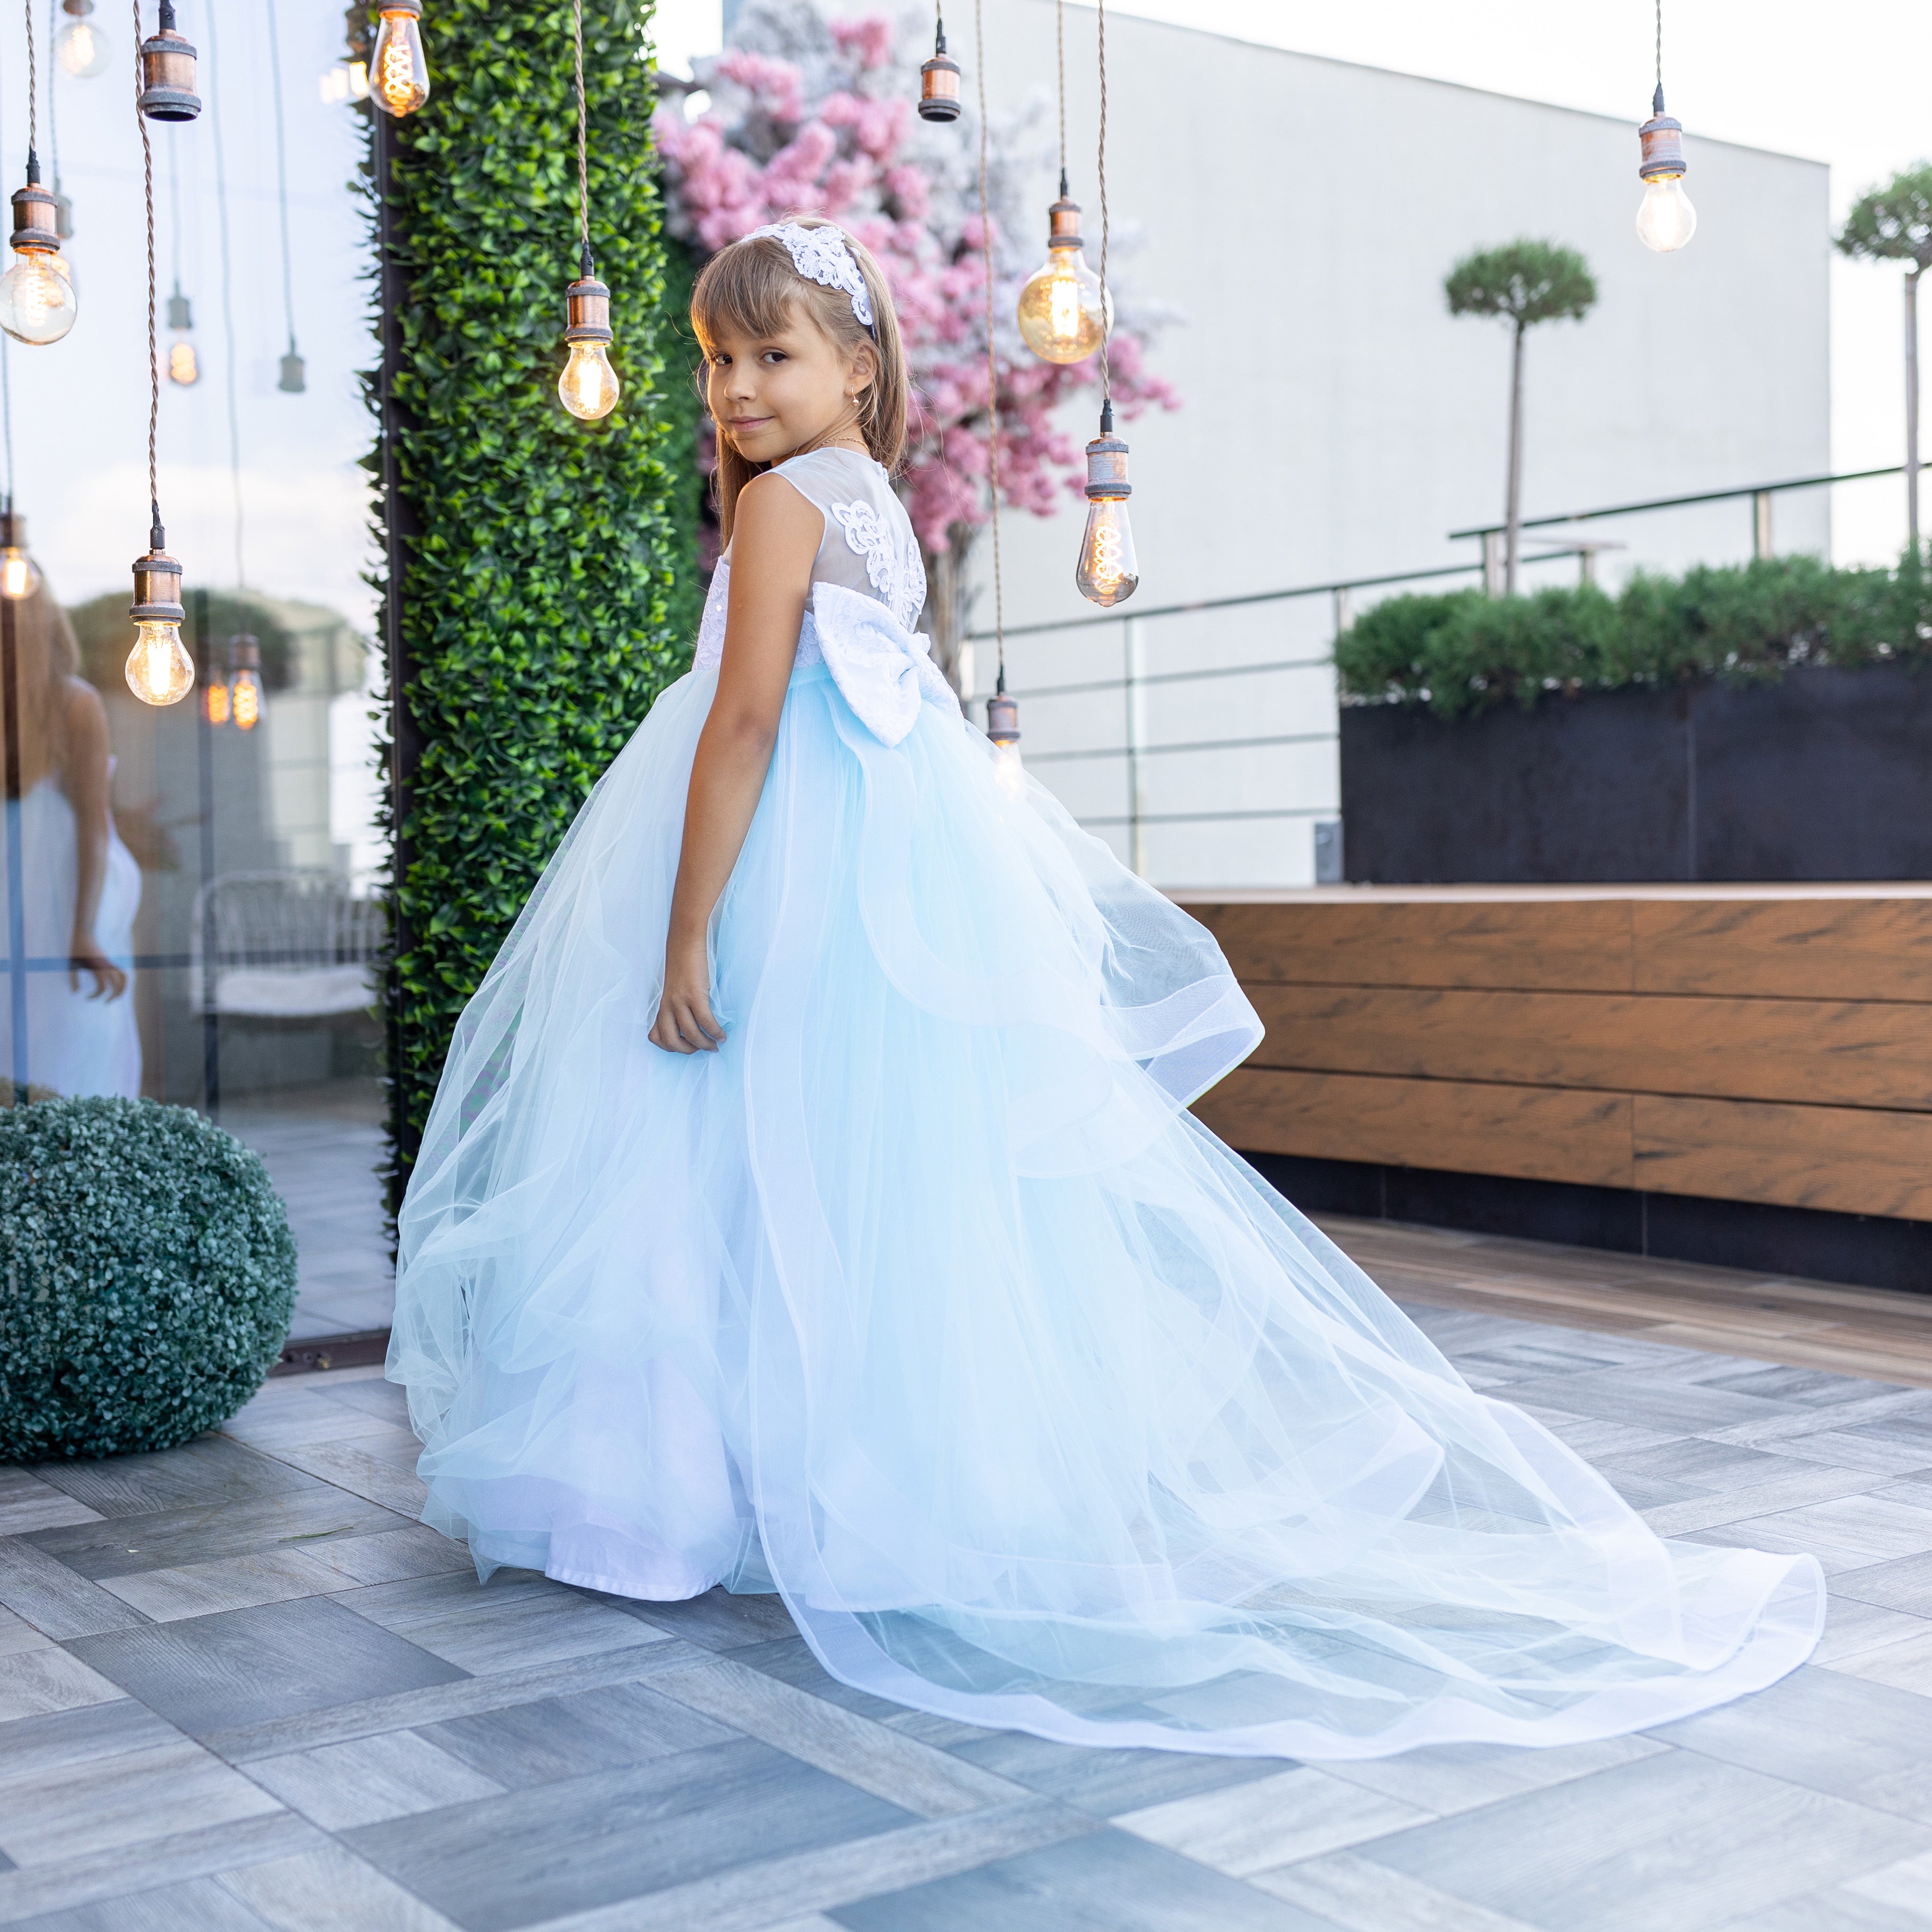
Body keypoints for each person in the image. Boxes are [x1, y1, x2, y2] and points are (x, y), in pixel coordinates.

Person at [388, 218, 1821, 1759]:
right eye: (716, 359)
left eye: (772, 355)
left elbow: (742, 723)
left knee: (712, 1163)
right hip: (877, 863)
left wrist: (685, 932)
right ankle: (855, 1486)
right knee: (855, 1180)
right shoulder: (870, 499)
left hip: (784, 867)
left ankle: (669, 1498)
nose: (735, 387)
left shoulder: (783, 505)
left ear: (857, 369)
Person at [0, 584, 140, 1101]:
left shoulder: (73, 704)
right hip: (38, 896)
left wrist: (83, 930)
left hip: (58, 896)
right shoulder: (72, 703)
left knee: (59, 1038)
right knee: (46, 1041)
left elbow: (92, 823)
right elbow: (92, 822)